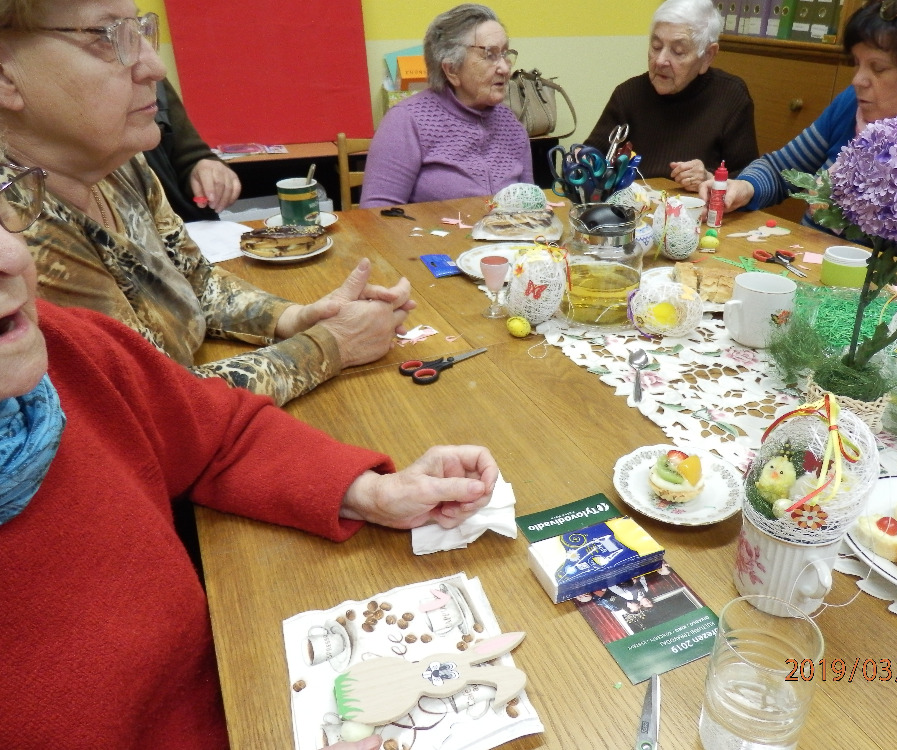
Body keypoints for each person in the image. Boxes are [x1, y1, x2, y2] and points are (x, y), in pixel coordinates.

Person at [0, 169, 498, 749]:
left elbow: (216, 432)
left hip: (242, 693)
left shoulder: (69, 349)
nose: (12, 257)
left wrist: (369, 492)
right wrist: (325, 345)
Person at [0, 0, 414, 407]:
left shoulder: (117, 163)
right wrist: (331, 344)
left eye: (140, 31)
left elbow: (196, 281)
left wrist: (294, 318)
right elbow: (148, 406)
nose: (155, 67)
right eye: (107, 37)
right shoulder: (15, 224)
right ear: (5, 75)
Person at [713, 0, 897, 277]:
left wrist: (882, 207)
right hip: (810, 269)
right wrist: (745, 187)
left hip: (895, 297)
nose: (858, 80)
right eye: (857, 63)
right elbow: (781, 170)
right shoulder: (853, 104)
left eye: (878, 68)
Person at [359, 3, 532, 208]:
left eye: (505, 53)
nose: (504, 68)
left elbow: (530, 206)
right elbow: (378, 214)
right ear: (452, 70)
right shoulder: (406, 121)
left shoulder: (511, 125)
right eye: (490, 55)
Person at [583, 0, 758, 192]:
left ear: (708, 56)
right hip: (633, 207)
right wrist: (581, 162)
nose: (660, 61)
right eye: (656, 46)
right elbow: (588, 162)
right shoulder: (628, 95)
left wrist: (710, 179)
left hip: (698, 209)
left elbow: (749, 183)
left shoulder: (730, 97)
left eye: (678, 51)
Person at [144, 78, 242, 221]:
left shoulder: (156, 81)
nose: (158, 69)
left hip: (185, 226)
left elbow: (191, 155)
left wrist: (205, 169)